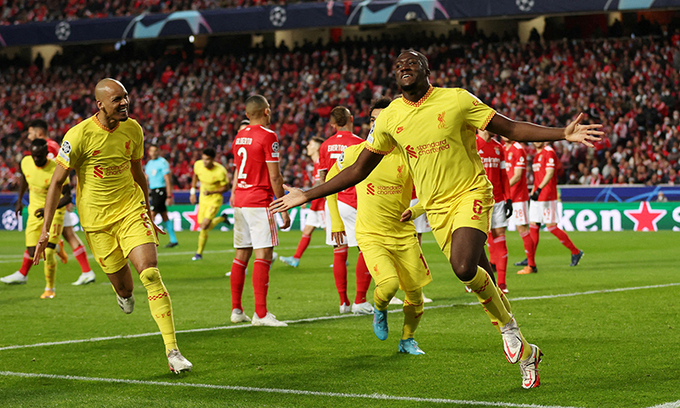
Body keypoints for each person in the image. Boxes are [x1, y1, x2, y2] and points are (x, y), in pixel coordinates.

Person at [271, 49, 602, 389]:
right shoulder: (389, 118)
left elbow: (511, 128)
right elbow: (358, 170)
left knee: (463, 267)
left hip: (471, 193)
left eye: (411, 63)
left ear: (426, 69)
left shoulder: (456, 99)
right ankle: (528, 353)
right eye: (398, 65)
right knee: (481, 276)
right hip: (436, 209)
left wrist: (562, 133)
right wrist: (307, 194)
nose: (404, 67)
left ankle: (509, 328)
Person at [33, 78, 192, 373]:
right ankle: (123, 294)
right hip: (97, 222)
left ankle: (173, 352)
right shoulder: (78, 135)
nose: (124, 103)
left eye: (126, 96)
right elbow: (57, 182)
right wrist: (45, 231)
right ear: (100, 105)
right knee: (126, 288)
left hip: (130, 209)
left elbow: (138, 173)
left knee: (151, 273)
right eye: (117, 99)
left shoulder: (133, 129)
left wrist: (147, 210)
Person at [327, 98, 432, 354]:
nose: (378, 125)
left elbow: (432, 191)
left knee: (415, 296)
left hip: (403, 235)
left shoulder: (409, 155)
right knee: (388, 285)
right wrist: (337, 222)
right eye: (374, 120)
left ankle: (407, 339)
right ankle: (379, 308)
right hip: (371, 234)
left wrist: (416, 210)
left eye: (384, 120)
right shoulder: (355, 152)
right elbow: (330, 180)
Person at [228, 94, 290, 327]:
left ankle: (237, 310)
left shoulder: (239, 137)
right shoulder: (268, 135)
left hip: (241, 200)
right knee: (263, 255)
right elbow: (274, 176)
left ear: (247, 114)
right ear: (266, 111)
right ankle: (261, 314)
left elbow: (238, 170)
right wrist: (282, 205)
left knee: (241, 254)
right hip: (259, 200)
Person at [317, 106, 373, 315]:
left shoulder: (325, 145)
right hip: (354, 201)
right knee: (365, 249)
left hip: (333, 202)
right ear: (351, 118)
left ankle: (343, 302)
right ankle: (360, 300)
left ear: (332, 124)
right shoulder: (359, 143)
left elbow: (323, 179)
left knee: (339, 251)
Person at [27, 119, 96, 285]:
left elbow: (56, 174)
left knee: (56, 240)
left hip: (53, 200)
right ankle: (86, 271)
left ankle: (59, 251)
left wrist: (64, 195)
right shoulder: (55, 145)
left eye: (30, 133)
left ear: (39, 133)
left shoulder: (49, 148)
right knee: (68, 234)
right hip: (59, 197)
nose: (29, 137)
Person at [1, 139, 70, 299]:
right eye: (34, 156)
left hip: (54, 212)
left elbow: (67, 196)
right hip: (34, 211)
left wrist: (48, 209)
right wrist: (19, 201)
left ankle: (50, 289)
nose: (36, 159)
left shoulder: (57, 168)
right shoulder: (26, 162)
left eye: (39, 156)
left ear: (47, 154)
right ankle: (58, 246)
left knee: (48, 252)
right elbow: (25, 179)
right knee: (33, 252)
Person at [529, 142, 584, 267]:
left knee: (551, 226)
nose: (536, 140)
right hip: (537, 194)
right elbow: (538, 177)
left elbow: (549, 173)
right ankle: (530, 258)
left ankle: (575, 251)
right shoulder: (536, 156)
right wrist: (533, 191)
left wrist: (539, 189)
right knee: (533, 225)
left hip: (547, 194)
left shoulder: (548, 151)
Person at [279, 137, 326, 267]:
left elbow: (319, 184)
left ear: (317, 148)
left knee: (331, 233)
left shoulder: (320, 162)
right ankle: (296, 258)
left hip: (322, 204)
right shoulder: (316, 163)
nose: (307, 147)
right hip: (316, 204)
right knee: (307, 230)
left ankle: (342, 258)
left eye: (310, 145)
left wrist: (306, 197)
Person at [476, 129, 513, 293]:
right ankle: (475, 281)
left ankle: (502, 284)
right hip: (477, 200)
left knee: (500, 238)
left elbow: (504, 175)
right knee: (476, 241)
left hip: (497, 200)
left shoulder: (499, 147)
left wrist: (508, 198)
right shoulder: (472, 143)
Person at [502, 137, 538, 274]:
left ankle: (531, 265)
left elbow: (517, 175)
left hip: (518, 196)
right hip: (505, 196)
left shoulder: (518, 149)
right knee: (497, 229)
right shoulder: (501, 148)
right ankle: (494, 262)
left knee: (522, 228)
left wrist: (503, 188)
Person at [189, 147, 229, 261]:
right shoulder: (198, 165)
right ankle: (222, 218)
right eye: (203, 159)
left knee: (204, 226)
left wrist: (212, 192)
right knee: (202, 225)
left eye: (207, 159)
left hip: (215, 200)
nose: (205, 162)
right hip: (203, 199)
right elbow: (195, 176)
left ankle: (199, 253)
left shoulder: (220, 171)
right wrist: (192, 192)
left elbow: (226, 187)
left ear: (213, 160)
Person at [145, 144, 179, 248]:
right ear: (149, 152)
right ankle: (173, 240)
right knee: (164, 215)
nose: (153, 153)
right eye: (151, 151)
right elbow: (146, 179)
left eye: (155, 151)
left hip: (161, 191)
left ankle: (148, 240)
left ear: (158, 151)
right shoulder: (149, 164)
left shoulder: (162, 162)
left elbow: (168, 180)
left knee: (151, 215)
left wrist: (169, 196)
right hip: (153, 191)